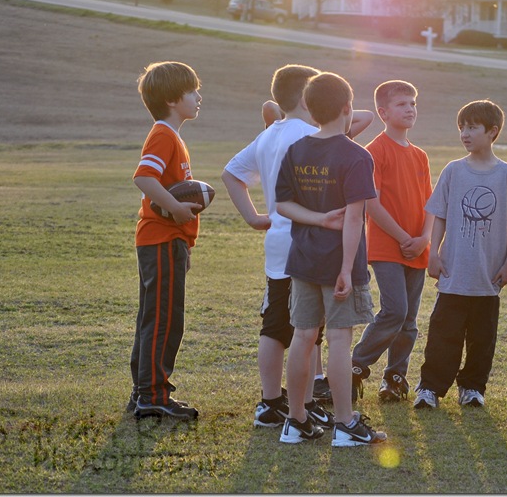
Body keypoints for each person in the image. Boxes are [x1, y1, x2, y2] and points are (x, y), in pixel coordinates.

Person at [222, 65, 373, 430]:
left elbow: (232, 174)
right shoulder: (314, 137)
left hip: (285, 247)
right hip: (323, 248)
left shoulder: (271, 135)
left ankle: (281, 405)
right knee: (323, 334)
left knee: (283, 328)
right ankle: (321, 410)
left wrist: (256, 217)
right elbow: (356, 127)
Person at [275, 71, 387, 446]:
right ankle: (345, 424)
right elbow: (355, 217)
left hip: (303, 258)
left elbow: (284, 204)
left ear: (309, 108)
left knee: (303, 337)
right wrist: (344, 269)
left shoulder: (297, 150)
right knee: (339, 340)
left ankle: (295, 420)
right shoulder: (357, 155)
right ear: (346, 108)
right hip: (341, 262)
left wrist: (317, 218)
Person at [413, 100, 507, 410]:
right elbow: (438, 214)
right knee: (443, 334)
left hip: (488, 274)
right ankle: (430, 388)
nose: (465, 133)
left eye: (472, 127)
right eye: (461, 128)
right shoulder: (454, 170)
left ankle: (472, 388)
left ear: (492, 131)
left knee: (482, 339)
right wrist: (433, 254)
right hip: (455, 272)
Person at [128, 61, 205, 420]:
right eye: (192, 91)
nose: (198, 97)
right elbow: (144, 178)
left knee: (155, 317)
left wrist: (184, 243)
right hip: (160, 238)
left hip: (167, 242)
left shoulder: (173, 136)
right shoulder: (163, 134)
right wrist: (175, 209)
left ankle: (143, 391)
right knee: (163, 320)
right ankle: (153, 395)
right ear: (174, 99)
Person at [350, 80, 434, 404]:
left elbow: (430, 203)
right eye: (402, 104)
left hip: (417, 246)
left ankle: (395, 378)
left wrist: (424, 238)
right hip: (388, 247)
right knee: (394, 311)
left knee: (409, 319)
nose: (410, 108)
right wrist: (403, 238)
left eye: (413, 103)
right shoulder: (375, 151)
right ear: (383, 112)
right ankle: (356, 366)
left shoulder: (420, 155)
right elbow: (372, 203)